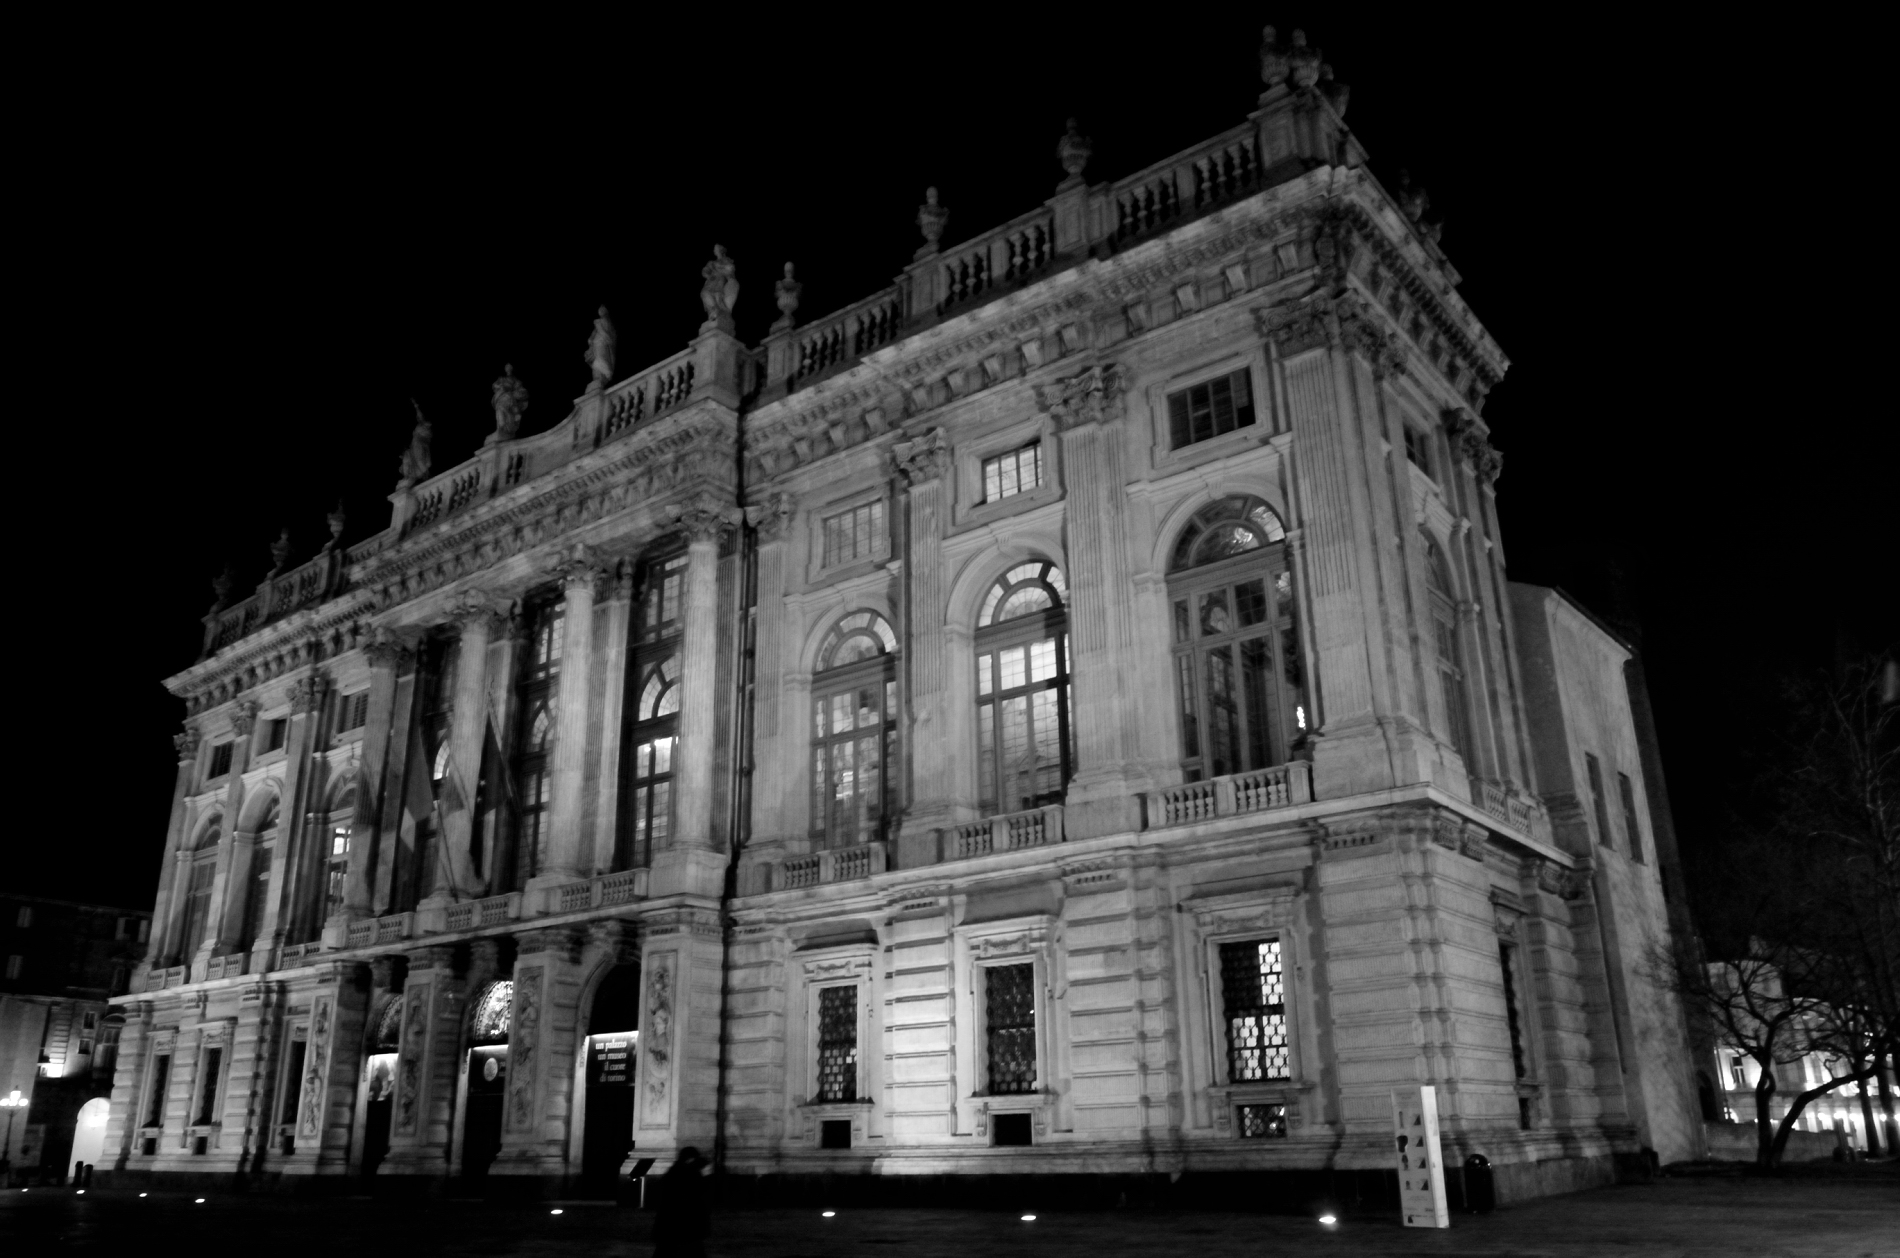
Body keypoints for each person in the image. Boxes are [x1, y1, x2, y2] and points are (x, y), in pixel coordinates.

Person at [650, 1146, 711, 1258]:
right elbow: (698, 1200)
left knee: (665, 1251)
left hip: (670, 1225)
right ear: (691, 1159)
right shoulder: (691, 1175)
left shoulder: (673, 1172)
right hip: (686, 1226)